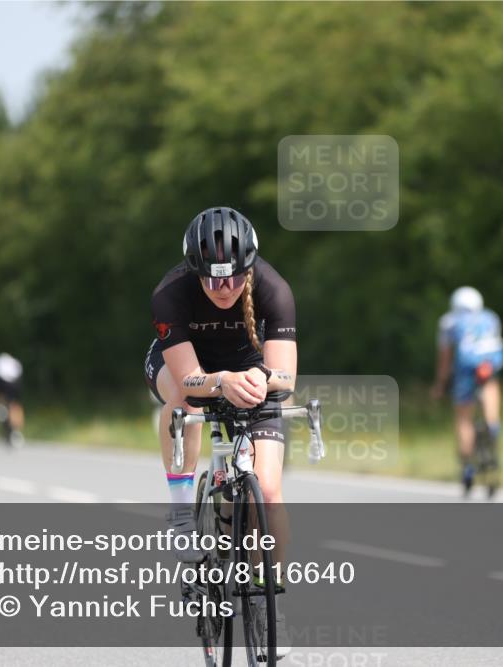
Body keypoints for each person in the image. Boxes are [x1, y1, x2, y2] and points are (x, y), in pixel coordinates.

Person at [145, 206, 297, 658]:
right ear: (195, 271)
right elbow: (190, 378)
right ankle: (181, 512)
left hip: (251, 373)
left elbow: (286, 378)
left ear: (248, 268)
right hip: (188, 369)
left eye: (232, 278)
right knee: (184, 401)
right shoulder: (170, 294)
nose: (223, 288)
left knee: (268, 490)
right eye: (211, 280)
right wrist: (221, 381)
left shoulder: (273, 288)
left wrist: (259, 381)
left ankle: (270, 602)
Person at [431, 286, 503, 496]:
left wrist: (440, 384)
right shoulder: (491, 317)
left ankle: (468, 467)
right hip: (489, 367)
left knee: (464, 419)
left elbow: (445, 357)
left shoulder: (449, 322)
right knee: (491, 390)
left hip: (465, 370)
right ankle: (492, 427)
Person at [0, 352, 25, 446]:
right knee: (15, 405)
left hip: (3, 382)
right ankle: (16, 431)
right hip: (14, 383)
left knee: (1, 399)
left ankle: (0, 410)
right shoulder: (14, 363)